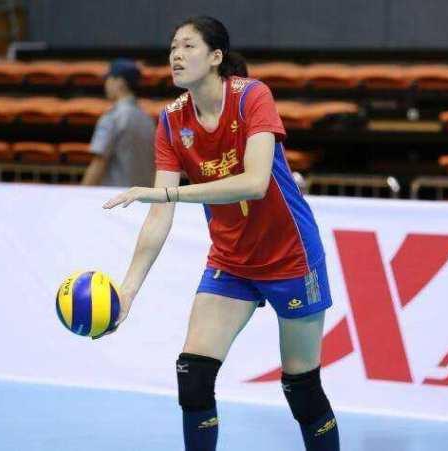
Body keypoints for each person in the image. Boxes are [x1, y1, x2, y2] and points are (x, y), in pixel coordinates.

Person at [101, 16, 340, 451]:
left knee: (302, 388)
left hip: (291, 257)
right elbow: (159, 214)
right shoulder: (171, 121)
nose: (176, 55)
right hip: (231, 262)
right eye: (173, 47)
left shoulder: (252, 97)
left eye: (188, 46)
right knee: (193, 377)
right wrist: (128, 290)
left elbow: (255, 183)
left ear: (215, 57)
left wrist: (169, 193)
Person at [81, 59, 155, 187]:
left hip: (115, 195)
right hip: (144, 196)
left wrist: (81, 193)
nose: (106, 84)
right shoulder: (148, 120)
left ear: (120, 82)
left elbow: (99, 162)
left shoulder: (113, 117)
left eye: (109, 79)